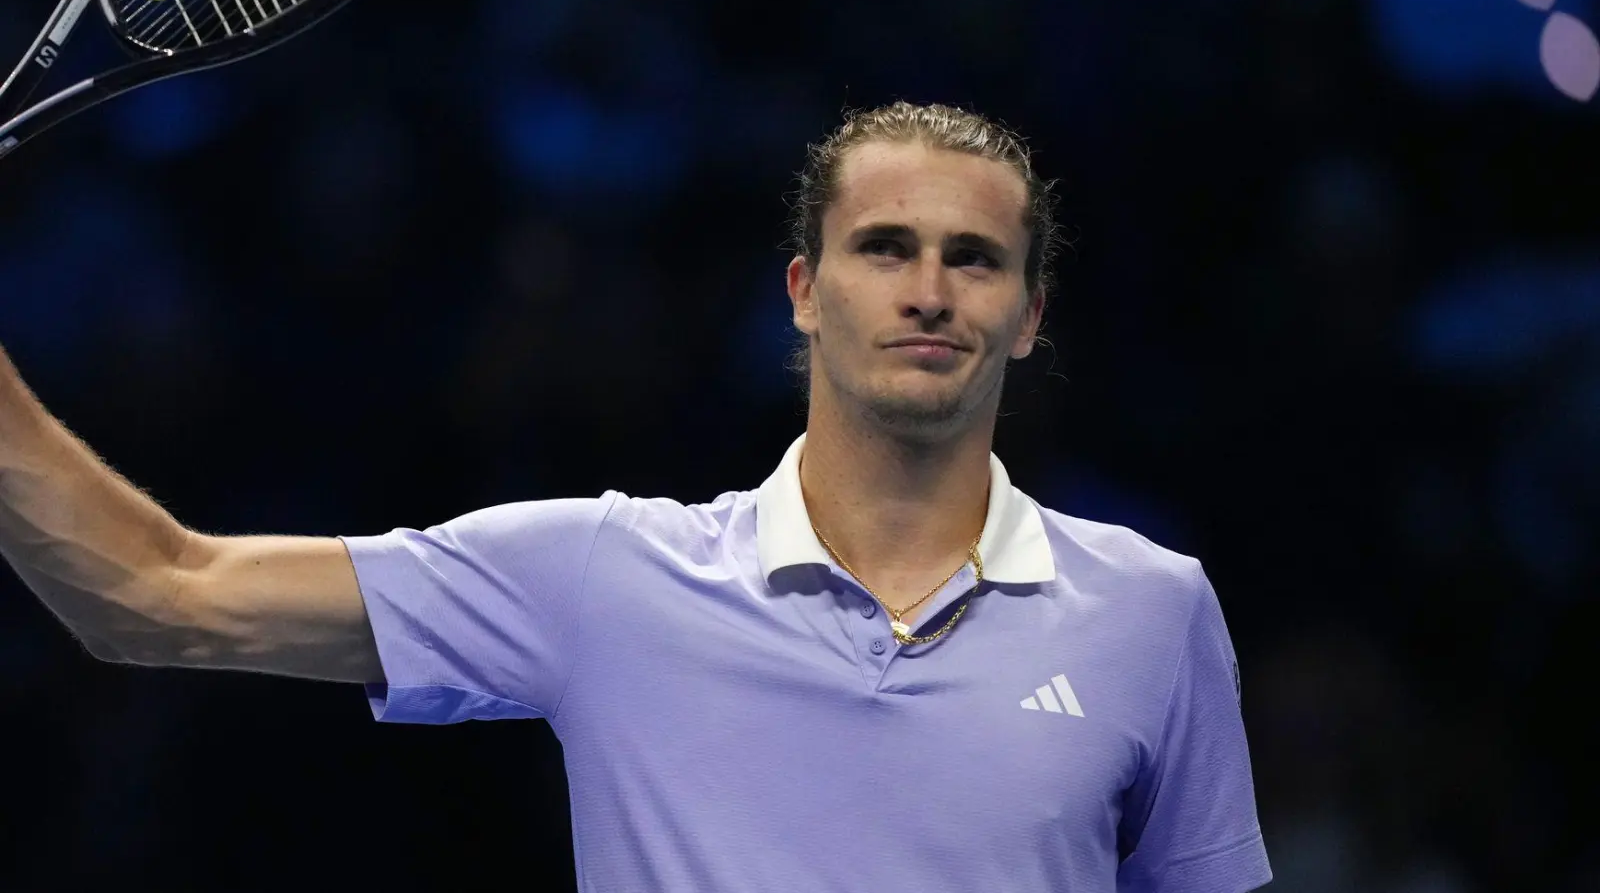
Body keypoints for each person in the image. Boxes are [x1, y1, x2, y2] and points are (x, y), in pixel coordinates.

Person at [0, 101, 1271, 892]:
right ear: (803, 292)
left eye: (975, 259)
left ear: (1030, 315)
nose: (929, 291)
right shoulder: (607, 579)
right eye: (883, 247)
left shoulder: (1151, 611)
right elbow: (156, 594)